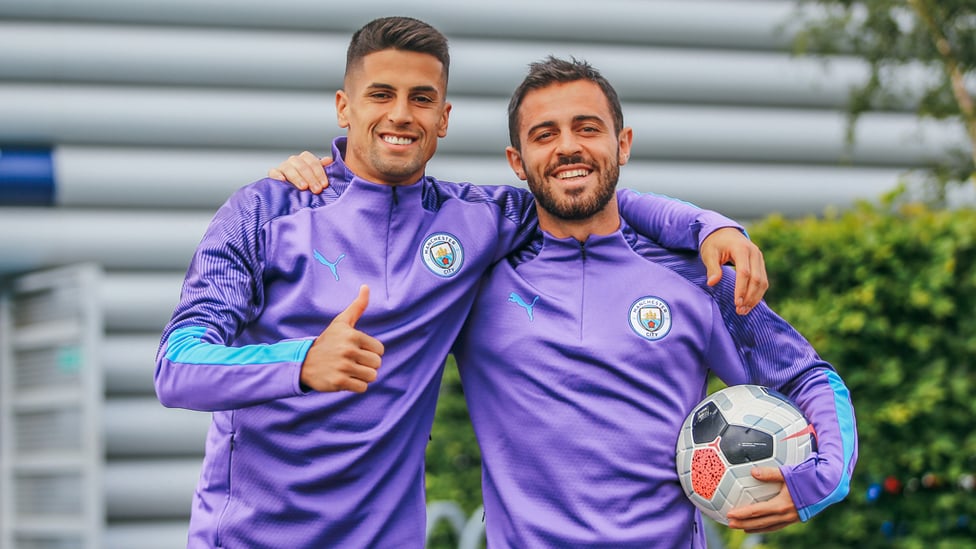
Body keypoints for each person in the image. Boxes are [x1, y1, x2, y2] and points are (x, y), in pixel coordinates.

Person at [156, 17, 767, 549]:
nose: (400, 114)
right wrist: (301, 362)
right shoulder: (264, 212)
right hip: (249, 538)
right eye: (380, 94)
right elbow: (177, 366)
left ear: (443, 118)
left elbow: (581, 187)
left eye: (421, 98)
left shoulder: (477, 219)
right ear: (344, 108)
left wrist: (706, 225)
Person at [272, 57, 857, 548]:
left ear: (621, 143)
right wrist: (308, 185)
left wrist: (822, 479)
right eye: (544, 135)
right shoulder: (472, 274)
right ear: (516, 162)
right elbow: (384, 207)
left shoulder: (697, 274)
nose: (568, 148)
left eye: (587, 128)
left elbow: (806, 376)